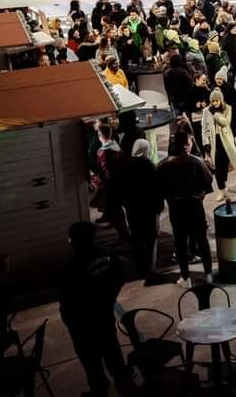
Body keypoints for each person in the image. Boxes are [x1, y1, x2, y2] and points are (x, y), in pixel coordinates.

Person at [59, 221, 134, 397]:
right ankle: (122, 379)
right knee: (110, 346)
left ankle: (99, 387)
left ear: (74, 240)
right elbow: (120, 279)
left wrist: (69, 317)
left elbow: (65, 296)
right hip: (104, 312)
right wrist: (108, 299)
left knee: (89, 355)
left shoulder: (71, 266)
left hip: (81, 319)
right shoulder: (109, 255)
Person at [156, 132, 214, 287]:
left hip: (176, 209)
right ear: (184, 144)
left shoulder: (162, 165)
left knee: (180, 241)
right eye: (189, 141)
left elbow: (159, 188)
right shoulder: (194, 161)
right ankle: (208, 273)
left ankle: (185, 277)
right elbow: (208, 179)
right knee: (202, 239)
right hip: (194, 206)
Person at [117, 138, 161, 283]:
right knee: (150, 240)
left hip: (132, 208)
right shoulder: (148, 165)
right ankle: (151, 271)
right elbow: (156, 188)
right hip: (148, 208)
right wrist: (159, 205)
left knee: (137, 239)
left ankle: (141, 269)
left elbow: (121, 189)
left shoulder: (125, 165)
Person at [201, 88, 236, 201]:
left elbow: (225, 123)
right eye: (213, 101)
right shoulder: (206, 111)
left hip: (225, 140)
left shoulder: (228, 108)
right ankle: (222, 189)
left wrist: (215, 115)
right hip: (213, 141)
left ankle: (223, 186)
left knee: (225, 164)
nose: (215, 103)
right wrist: (206, 142)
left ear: (221, 100)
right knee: (217, 167)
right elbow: (204, 127)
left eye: (217, 100)